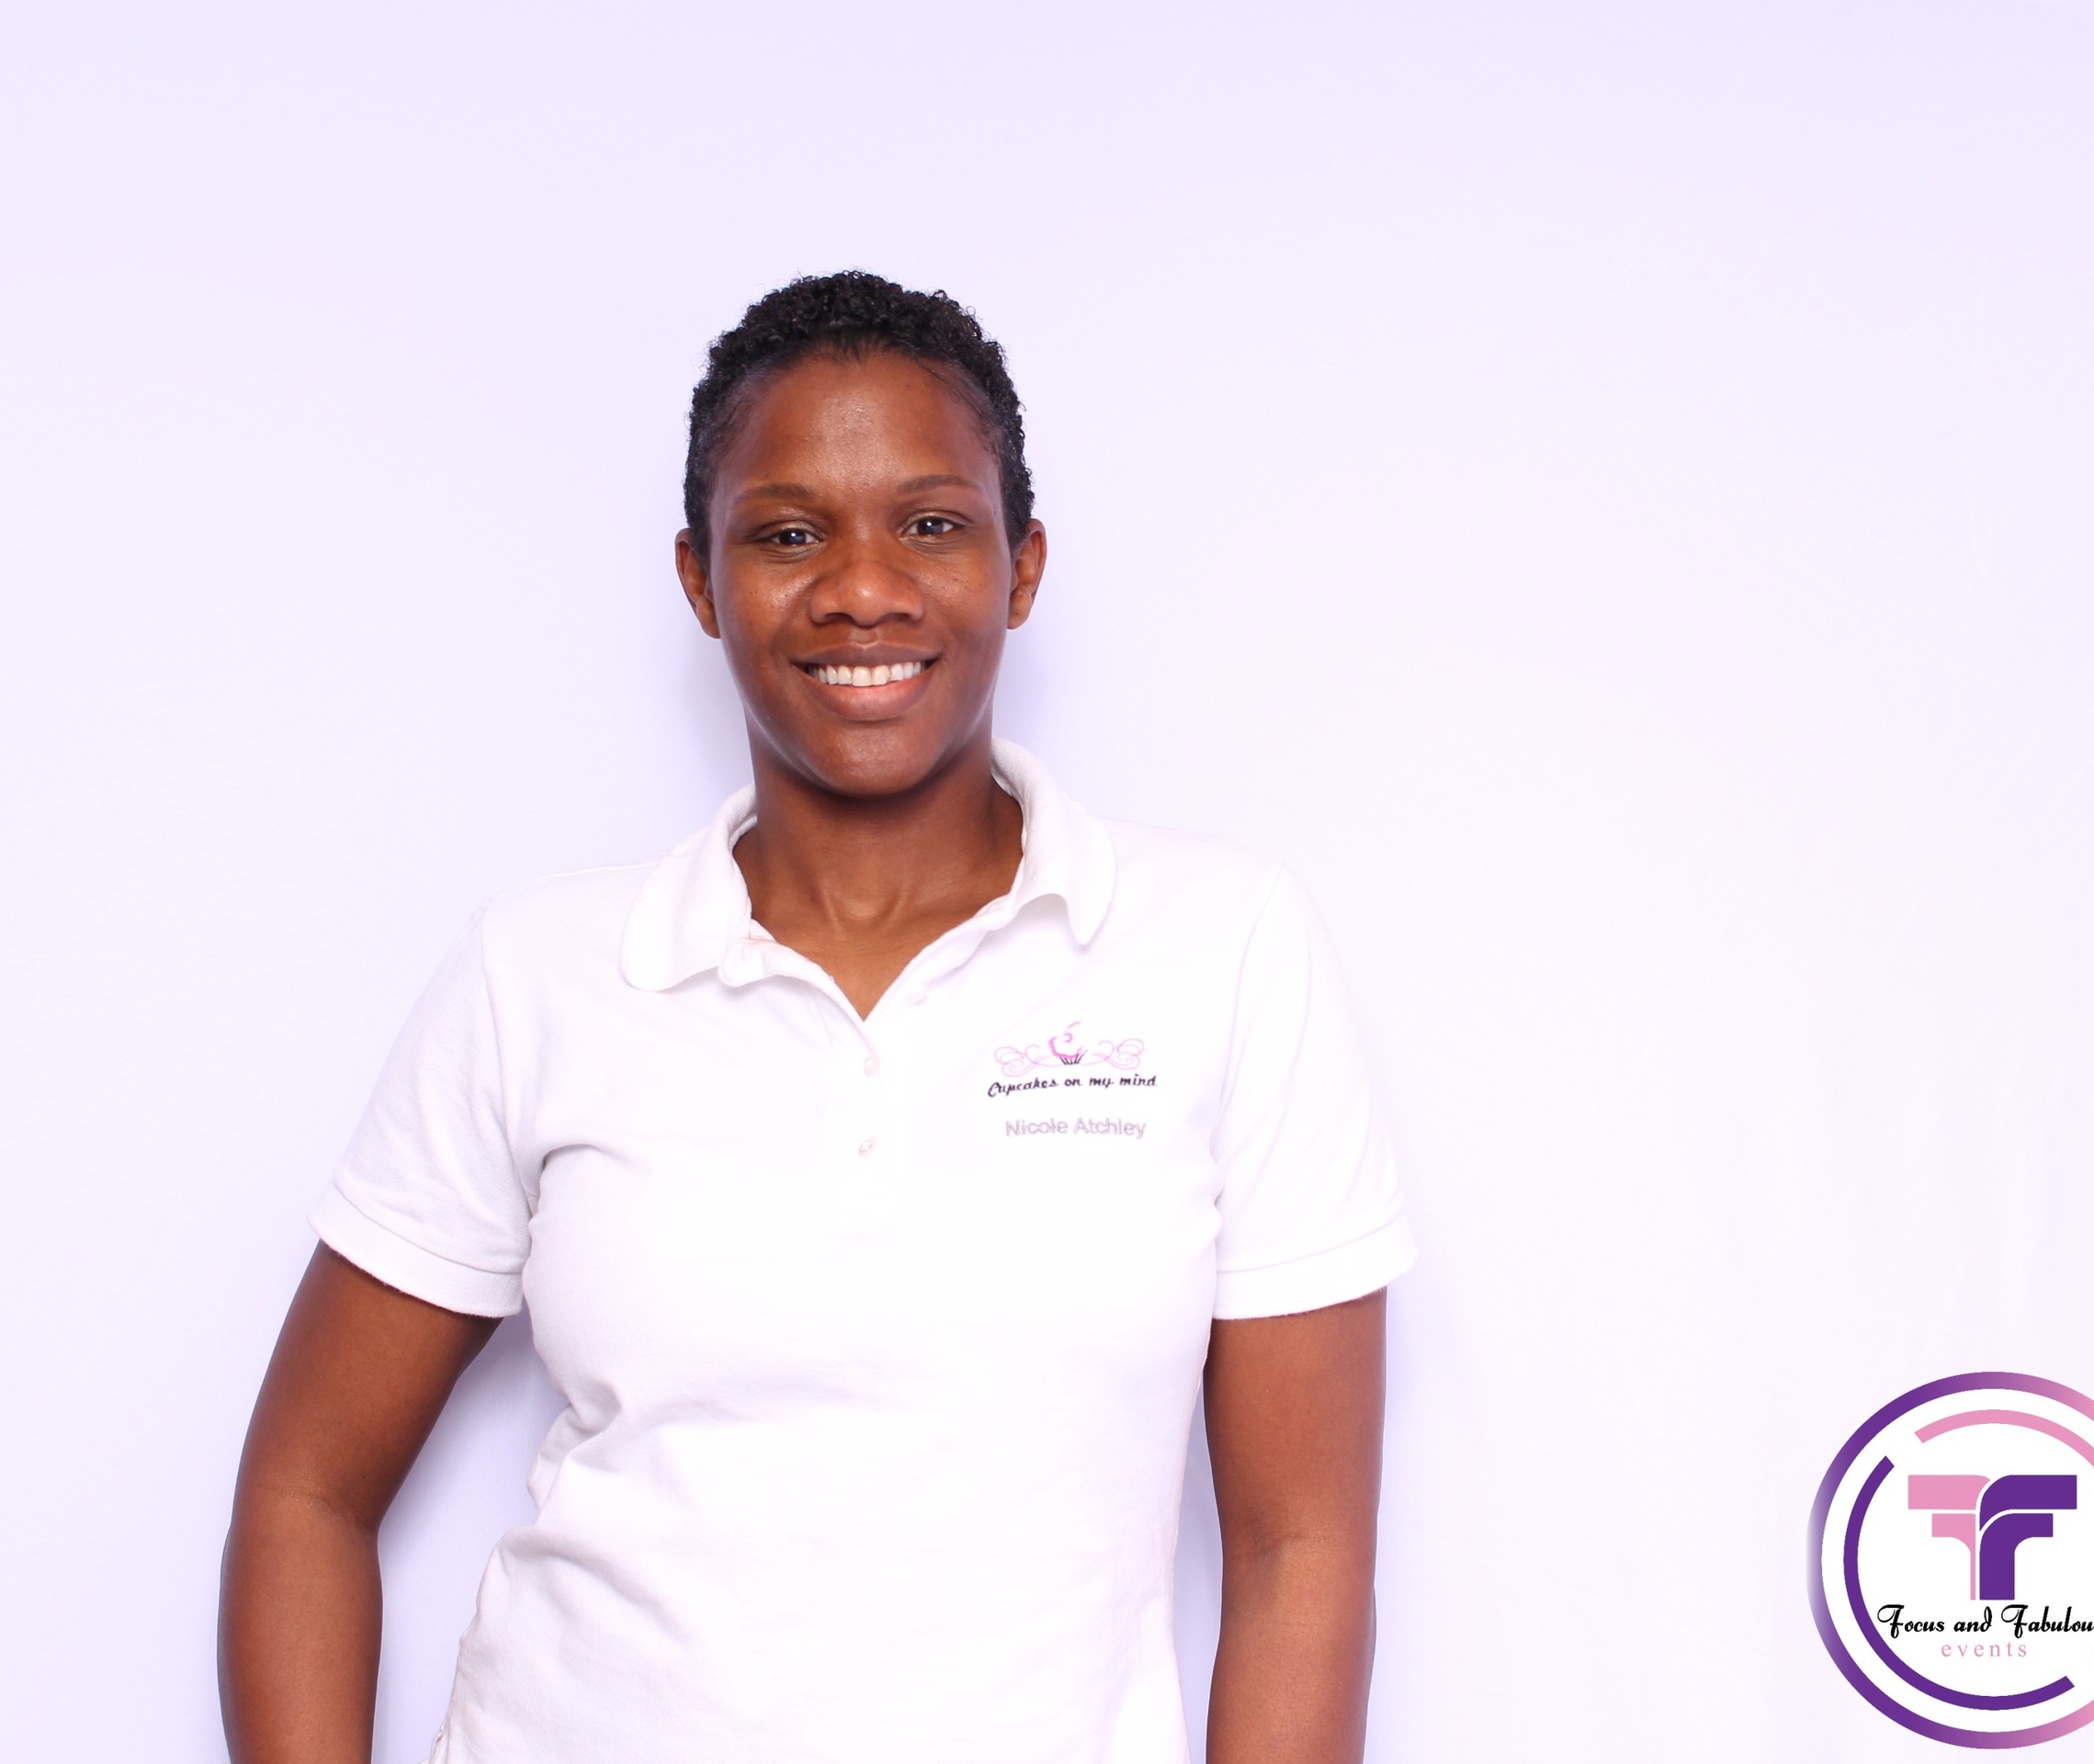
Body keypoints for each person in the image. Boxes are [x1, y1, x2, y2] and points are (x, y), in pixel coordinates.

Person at [219, 271, 1416, 1764]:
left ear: (1022, 565)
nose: (862, 587)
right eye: (788, 534)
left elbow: (1303, 1552)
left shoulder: (1220, 951)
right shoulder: (539, 975)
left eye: (933, 524)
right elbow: (306, 1495)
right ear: (701, 579)